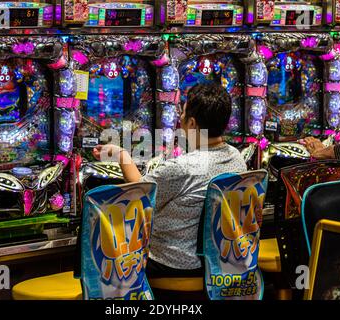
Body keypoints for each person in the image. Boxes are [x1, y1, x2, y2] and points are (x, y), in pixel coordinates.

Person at [92, 83, 247, 280]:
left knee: (103, 249)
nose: (179, 120)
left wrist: (120, 154)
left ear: (192, 123)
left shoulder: (183, 168)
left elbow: (138, 195)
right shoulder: (237, 158)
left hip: (175, 263)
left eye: (181, 114)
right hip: (221, 259)